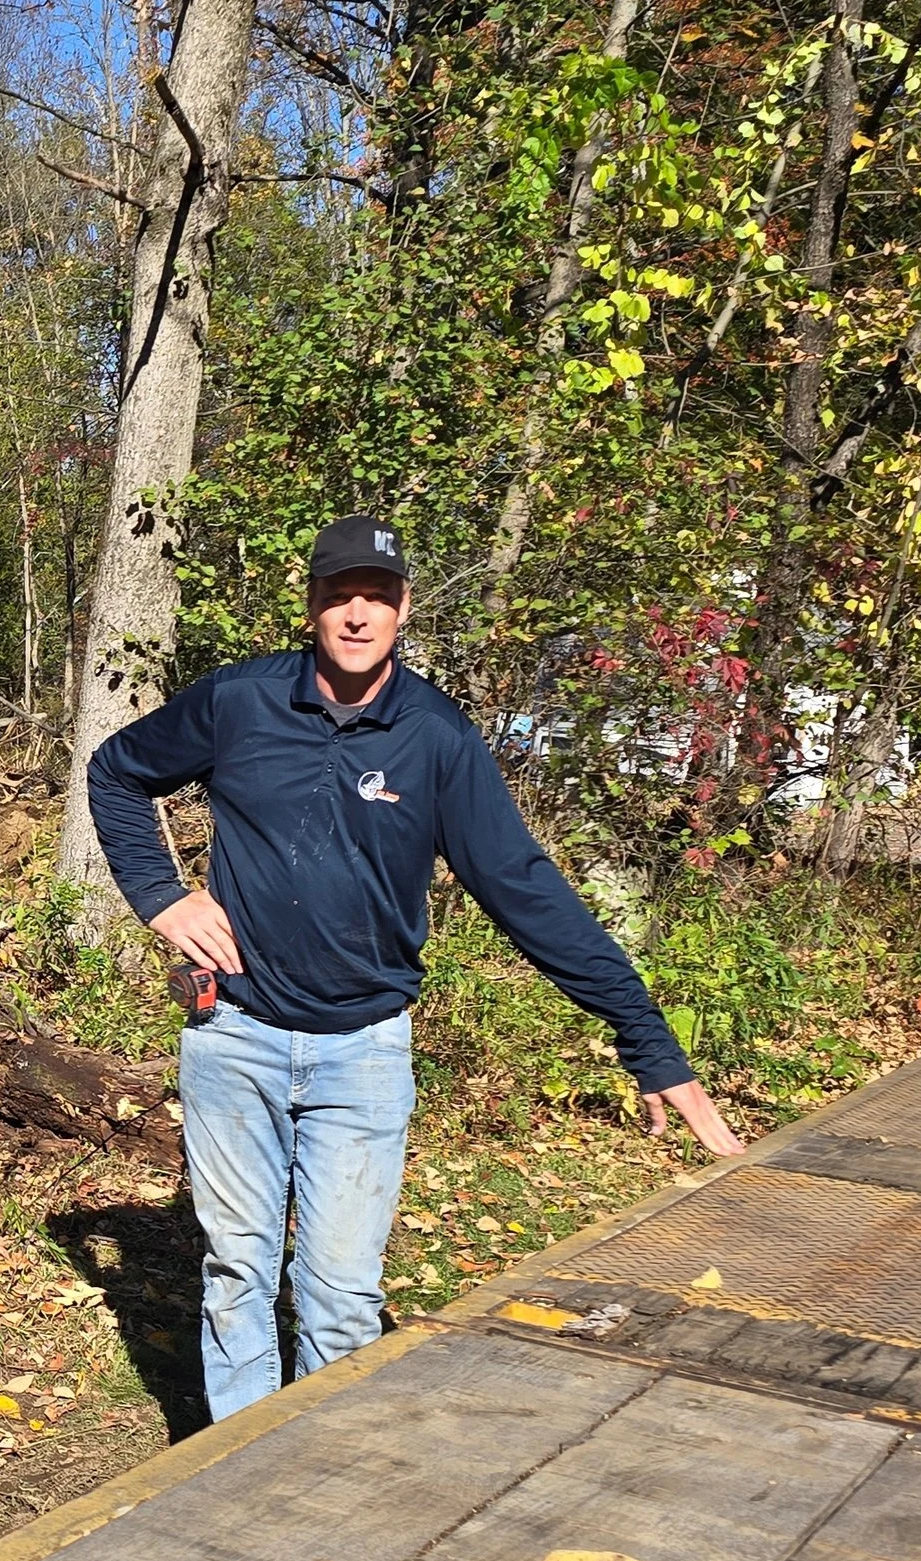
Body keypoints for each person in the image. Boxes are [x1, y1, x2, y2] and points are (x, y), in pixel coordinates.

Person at [86, 514, 741, 1421]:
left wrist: (649, 1041)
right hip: (234, 1036)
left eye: (377, 596)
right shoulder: (240, 703)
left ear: (402, 608)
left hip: (362, 1052)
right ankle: (233, 1469)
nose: (357, 614)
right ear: (311, 604)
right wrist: (162, 897)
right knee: (237, 1269)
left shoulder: (435, 738)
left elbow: (525, 890)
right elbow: (116, 772)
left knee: (343, 1294)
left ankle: (327, 1466)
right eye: (338, 594)